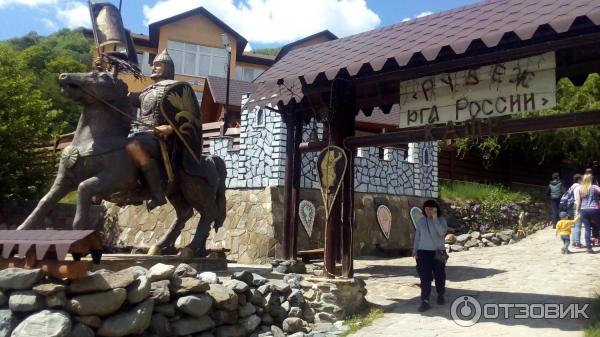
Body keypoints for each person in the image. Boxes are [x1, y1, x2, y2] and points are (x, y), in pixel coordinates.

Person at [126, 49, 177, 210]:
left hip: (162, 139)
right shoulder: (147, 91)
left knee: (133, 144)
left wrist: (170, 127)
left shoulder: (176, 88)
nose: (153, 67)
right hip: (142, 135)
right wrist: (106, 71)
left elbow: (189, 117)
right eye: (153, 65)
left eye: (158, 65)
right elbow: (120, 95)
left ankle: (157, 193)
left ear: (168, 68)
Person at [413, 199, 448, 312]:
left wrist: (435, 218)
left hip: (438, 252)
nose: (428, 210)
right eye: (426, 208)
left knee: (439, 275)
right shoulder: (421, 221)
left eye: (431, 208)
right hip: (423, 252)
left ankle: (440, 294)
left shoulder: (441, 220)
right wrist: (415, 250)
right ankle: (425, 301)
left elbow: (441, 232)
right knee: (425, 277)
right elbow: (417, 236)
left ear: (435, 209)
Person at [574, 173, 599, 254]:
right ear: (590, 179)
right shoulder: (594, 187)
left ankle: (589, 248)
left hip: (583, 210)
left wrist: (577, 211)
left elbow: (578, 201)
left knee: (587, 229)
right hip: (594, 209)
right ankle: (596, 238)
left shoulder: (580, 189)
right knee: (598, 226)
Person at [563, 174, 583, 248]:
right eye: (582, 179)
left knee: (575, 225)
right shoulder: (579, 187)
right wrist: (578, 210)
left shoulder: (572, 186)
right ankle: (577, 243)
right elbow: (578, 199)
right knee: (578, 225)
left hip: (572, 206)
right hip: (577, 205)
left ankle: (574, 242)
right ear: (579, 180)